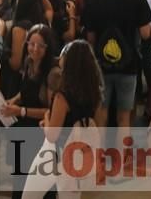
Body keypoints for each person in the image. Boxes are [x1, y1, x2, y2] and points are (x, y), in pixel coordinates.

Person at [81, 0, 151, 130]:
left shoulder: (93, 2)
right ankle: (121, 156)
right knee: (124, 117)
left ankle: (98, 154)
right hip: (129, 66)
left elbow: (90, 39)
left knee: (102, 111)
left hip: (101, 65)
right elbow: (145, 34)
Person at [21, 39, 102, 199]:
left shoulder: (63, 96)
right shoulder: (95, 93)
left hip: (54, 153)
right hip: (78, 152)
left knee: (30, 196)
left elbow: (52, 135)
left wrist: (46, 118)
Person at [1, 25, 60, 197]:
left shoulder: (53, 73)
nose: (34, 48)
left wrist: (21, 111)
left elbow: (52, 111)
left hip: (40, 133)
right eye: (31, 44)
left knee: (39, 183)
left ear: (48, 47)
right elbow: (25, 91)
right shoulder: (28, 63)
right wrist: (14, 100)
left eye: (40, 45)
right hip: (22, 128)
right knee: (19, 178)